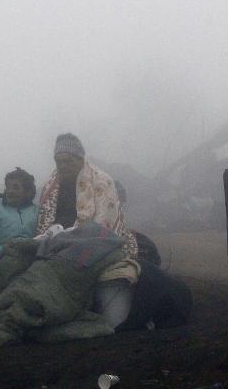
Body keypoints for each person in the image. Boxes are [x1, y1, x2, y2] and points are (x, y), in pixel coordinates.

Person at [35, 133, 139, 329]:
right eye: (59, 161)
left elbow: (103, 225)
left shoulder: (101, 181)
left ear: (81, 159)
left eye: (68, 160)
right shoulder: (52, 184)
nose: (63, 165)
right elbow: (45, 219)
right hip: (57, 237)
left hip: (93, 239)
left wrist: (68, 237)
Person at [0, 168, 39, 266]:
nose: (10, 191)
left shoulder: (37, 211)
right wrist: (3, 251)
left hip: (29, 262)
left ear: (28, 191)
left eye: (15, 187)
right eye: (8, 187)